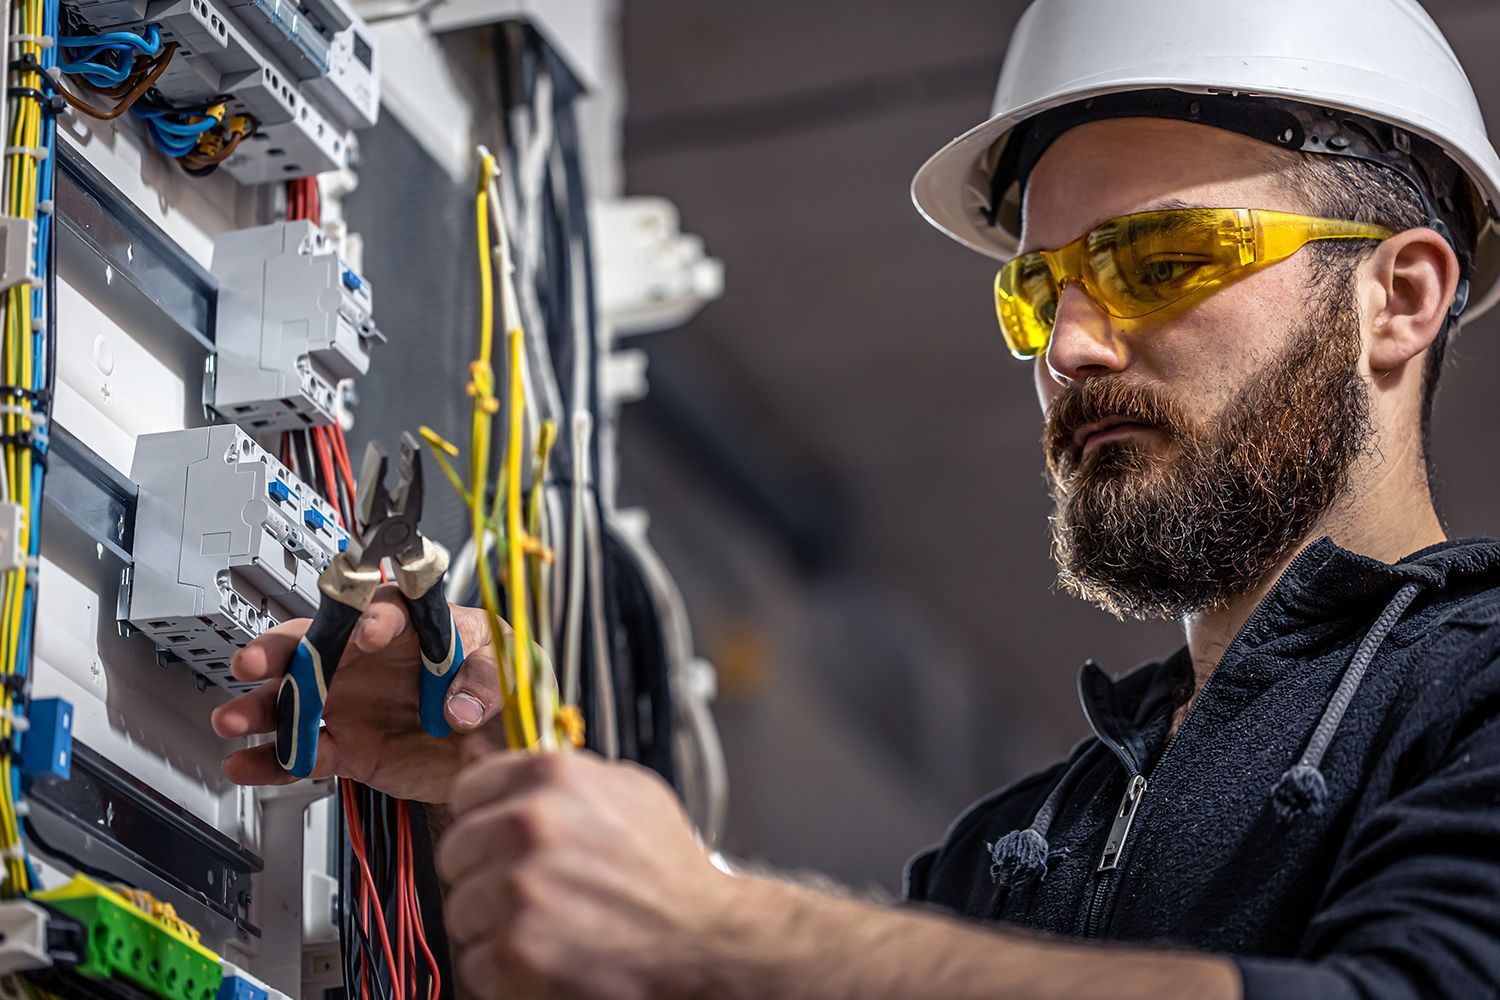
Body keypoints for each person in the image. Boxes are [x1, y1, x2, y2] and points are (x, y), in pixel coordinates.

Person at [210, 0, 1500, 996]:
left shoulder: (1470, 695)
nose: (1070, 349)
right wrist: (499, 807)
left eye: (1159, 259)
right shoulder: (1014, 853)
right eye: (1040, 291)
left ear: (1400, 298)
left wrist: (714, 928)